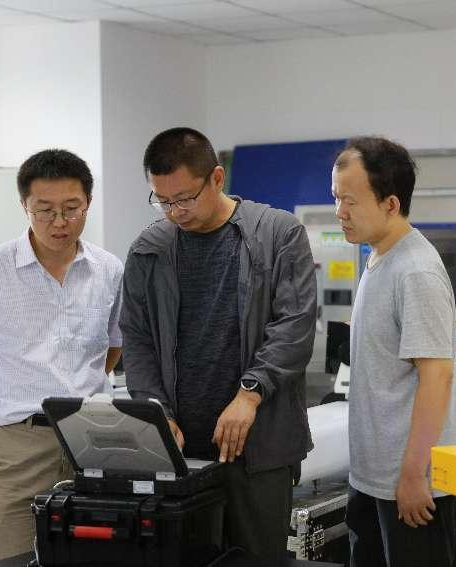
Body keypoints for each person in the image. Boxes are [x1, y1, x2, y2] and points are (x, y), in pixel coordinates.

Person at [120, 127, 316, 560]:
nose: (175, 212)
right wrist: (156, 411)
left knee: (256, 559)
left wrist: (250, 394)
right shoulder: (149, 250)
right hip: (179, 453)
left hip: (259, 452)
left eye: (185, 198)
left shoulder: (277, 234)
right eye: (162, 200)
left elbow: (295, 326)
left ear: (217, 178)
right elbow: (136, 338)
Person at [0, 149, 124, 563]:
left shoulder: (109, 270)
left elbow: (113, 346)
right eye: (45, 210)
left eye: (71, 208)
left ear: (88, 202)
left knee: (93, 555)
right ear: (24, 205)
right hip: (18, 441)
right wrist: (8, 393)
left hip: (90, 437)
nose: (59, 222)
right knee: (8, 556)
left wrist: (78, 389)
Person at [332, 136, 456, 566]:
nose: (339, 212)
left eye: (350, 201)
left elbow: (436, 377)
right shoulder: (378, 258)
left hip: (415, 488)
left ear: (390, 204)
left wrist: (413, 476)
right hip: (374, 479)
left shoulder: (416, 271)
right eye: (336, 198)